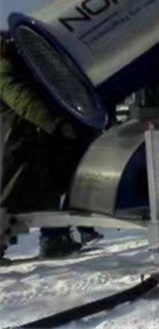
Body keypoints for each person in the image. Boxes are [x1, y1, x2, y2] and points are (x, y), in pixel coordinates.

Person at [0, 35, 101, 260]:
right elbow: (24, 101)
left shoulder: (20, 68)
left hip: (38, 143)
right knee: (10, 201)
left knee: (57, 185)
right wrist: (56, 125)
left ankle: (56, 239)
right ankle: (53, 239)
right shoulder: (3, 72)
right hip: (21, 144)